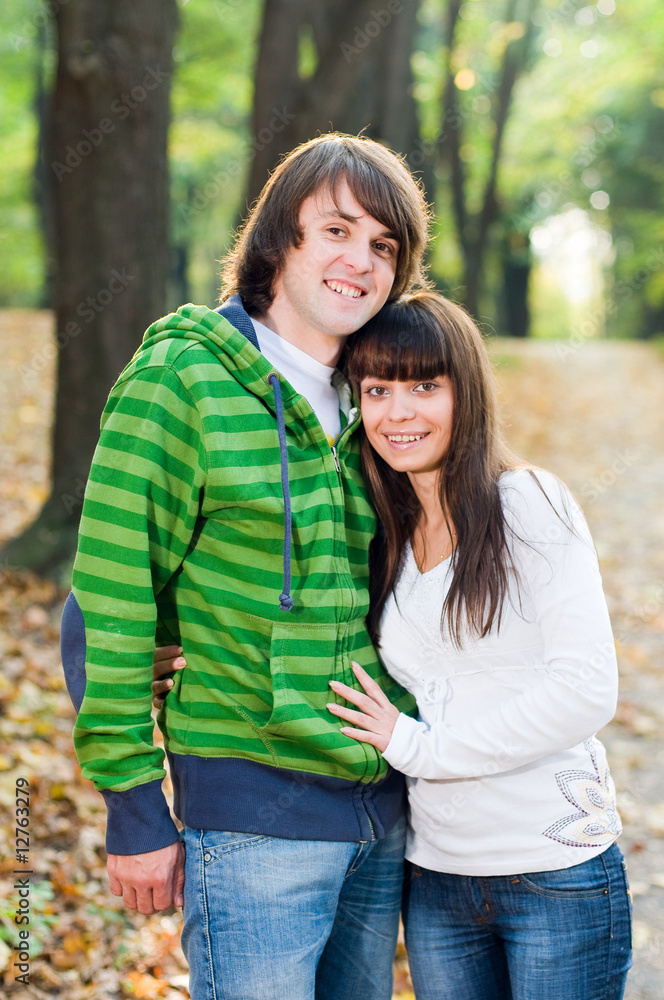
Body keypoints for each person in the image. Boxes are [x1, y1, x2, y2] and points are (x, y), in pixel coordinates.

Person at [158, 289, 632, 999]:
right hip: (437, 879)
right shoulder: (389, 530)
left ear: (463, 392)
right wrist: (186, 650)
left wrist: (418, 748)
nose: (398, 412)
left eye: (424, 386)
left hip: (553, 868)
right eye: (376, 389)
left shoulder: (528, 503)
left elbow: (586, 690)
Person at [60, 133, 430, 1000]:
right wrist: (135, 807)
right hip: (253, 820)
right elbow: (108, 601)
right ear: (279, 240)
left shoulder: (380, 398)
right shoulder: (183, 380)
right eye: (337, 230)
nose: (361, 261)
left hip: (381, 815)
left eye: (384, 246)